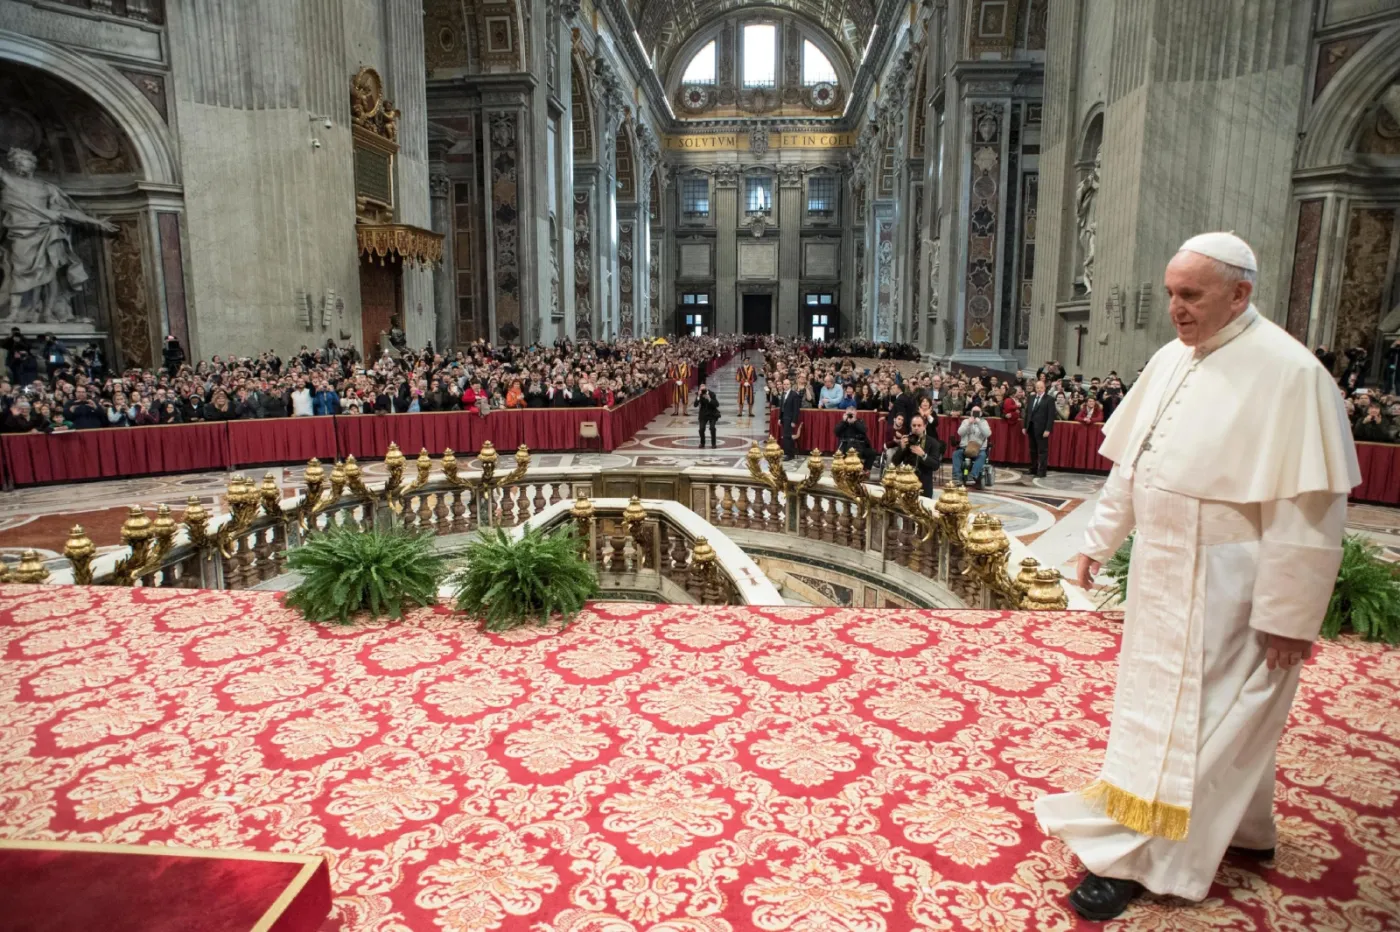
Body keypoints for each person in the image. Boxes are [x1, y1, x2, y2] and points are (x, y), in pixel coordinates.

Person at [1036, 232, 1360, 922]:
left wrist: (1288, 615)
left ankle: (1139, 859)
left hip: (1231, 584)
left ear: (1240, 293)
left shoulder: (1291, 374)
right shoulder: (1172, 358)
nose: (1175, 309)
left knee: (1195, 724)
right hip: (1162, 572)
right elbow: (1135, 463)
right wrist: (1098, 542)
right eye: (1171, 294)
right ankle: (1246, 829)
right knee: (1190, 716)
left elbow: (1309, 513)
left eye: (1191, 295)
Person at [890, 413, 943, 497]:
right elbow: (894, 462)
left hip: (924, 484)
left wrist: (923, 455)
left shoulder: (933, 443)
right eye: (914, 425)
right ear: (911, 426)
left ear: (924, 426)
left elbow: (936, 465)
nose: (916, 428)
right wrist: (902, 448)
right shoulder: (906, 440)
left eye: (919, 425)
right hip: (906, 482)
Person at [951, 406, 992, 488]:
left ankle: (972, 476)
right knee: (956, 454)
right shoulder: (965, 421)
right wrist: (968, 423)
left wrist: (979, 423)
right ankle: (957, 476)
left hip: (979, 448)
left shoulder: (984, 422)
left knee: (982, 456)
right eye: (974, 411)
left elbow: (988, 434)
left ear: (980, 413)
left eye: (978, 412)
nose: (976, 413)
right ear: (971, 413)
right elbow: (960, 433)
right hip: (965, 447)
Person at [1025, 378, 1055, 478]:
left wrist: (1048, 429)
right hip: (1031, 428)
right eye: (1037, 387)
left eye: (1041, 387)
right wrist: (1025, 426)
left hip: (1042, 429)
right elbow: (1027, 413)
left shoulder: (1049, 399)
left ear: (1044, 388)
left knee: (1042, 451)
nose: (1039, 389)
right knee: (1032, 450)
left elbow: (1051, 416)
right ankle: (1033, 468)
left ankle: (1042, 471)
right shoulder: (1031, 397)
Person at [778, 377, 802, 460]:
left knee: (788, 436)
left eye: (787, 384)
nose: (786, 386)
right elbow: (781, 407)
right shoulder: (783, 394)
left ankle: (790, 454)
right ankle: (788, 453)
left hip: (790, 419)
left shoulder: (794, 395)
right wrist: (779, 418)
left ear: (790, 385)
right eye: (784, 384)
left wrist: (794, 421)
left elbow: (796, 409)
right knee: (786, 436)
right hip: (784, 418)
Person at [694, 381, 720, 448]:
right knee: (701, 429)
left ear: (706, 388)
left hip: (712, 413)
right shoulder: (699, 394)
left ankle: (713, 444)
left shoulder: (712, 394)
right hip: (703, 414)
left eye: (703, 388)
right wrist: (698, 396)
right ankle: (702, 443)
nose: (702, 390)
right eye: (701, 388)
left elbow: (717, 404)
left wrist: (709, 399)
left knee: (712, 428)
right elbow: (695, 405)